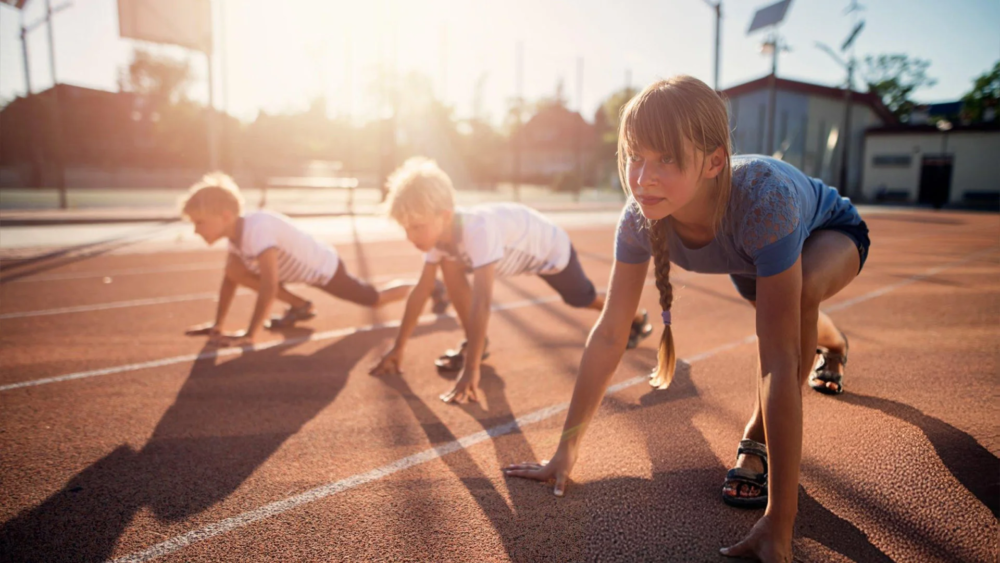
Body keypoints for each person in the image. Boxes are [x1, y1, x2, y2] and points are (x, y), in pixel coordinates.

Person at [503, 76, 870, 563]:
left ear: (715, 160)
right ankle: (833, 340)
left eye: (667, 159)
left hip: (830, 233)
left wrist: (780, 522)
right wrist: (564, 452)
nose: (644, 178)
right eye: (636, 156)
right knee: (781, 306)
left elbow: (779, 360)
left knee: (793, 312)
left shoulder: (765, 202)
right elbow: (611, 331)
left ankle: (755, 438)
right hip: (753, 263)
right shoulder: (639, 217)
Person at [368, 157, 653, 403]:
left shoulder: (477, 231)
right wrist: (398, 347)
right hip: (517, 250)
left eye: (417, 227)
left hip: (550, 251)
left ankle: (634, 318)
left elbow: (482, 303)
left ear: (444, 216)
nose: (411, 237)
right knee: (449, 266)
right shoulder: (439, 240)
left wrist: (471, 369)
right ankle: (476, 343)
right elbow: (422, 290)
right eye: (406, 228)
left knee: (581, 299)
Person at [180, 172, 447, 347]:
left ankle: (433, 287)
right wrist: (218, 325)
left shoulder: (257, 230)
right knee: (233, 270)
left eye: (200, 222)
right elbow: (230, 281)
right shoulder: (236, 238)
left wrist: (251, 334)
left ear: (226, 216)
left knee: (373, 298)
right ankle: (300, 307)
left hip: (324, 268)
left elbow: (269, 285)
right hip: (297, 272)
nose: (196, 230)